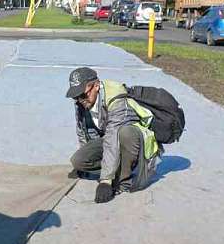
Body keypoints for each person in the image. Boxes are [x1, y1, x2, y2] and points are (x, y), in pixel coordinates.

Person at [66, 67, 161, 203]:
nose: (80, 99)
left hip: (134, 142)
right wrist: (83, 163)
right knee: (78, 160)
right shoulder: (82, 102)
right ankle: (115, 169)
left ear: (96, 86)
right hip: (111, 139)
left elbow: (112, 138)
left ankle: (123, 180)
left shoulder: (116, 100)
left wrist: (105, 180)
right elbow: (83, 131)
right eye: (76, 96)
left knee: (125, 133)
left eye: (83, 94)